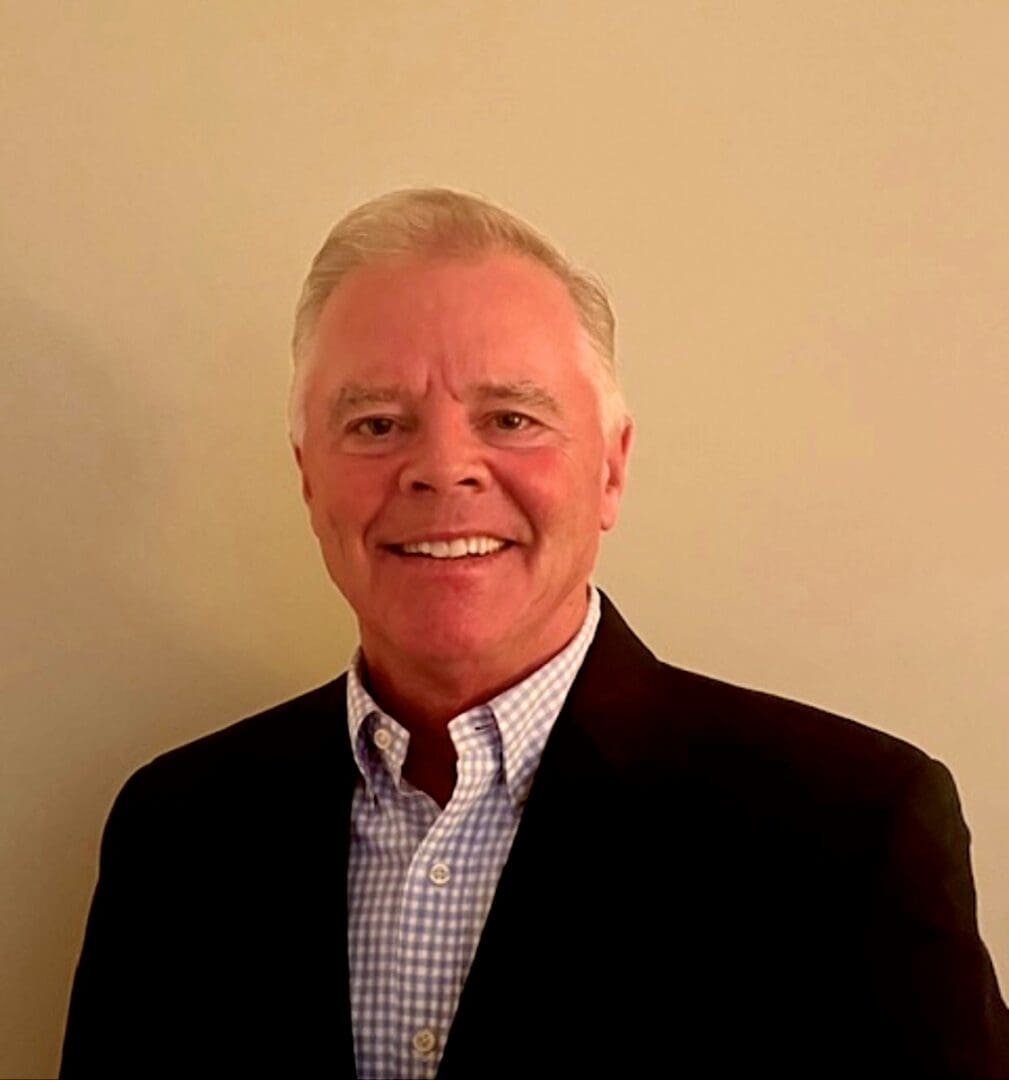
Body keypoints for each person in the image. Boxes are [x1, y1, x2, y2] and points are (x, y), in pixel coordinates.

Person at [61, 189, 1009, 1079]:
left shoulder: (852, 828)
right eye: (377, 423)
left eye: (510, 417)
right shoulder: (174, 830)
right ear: (308, 476)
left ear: (610, 470)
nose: (442, 470)